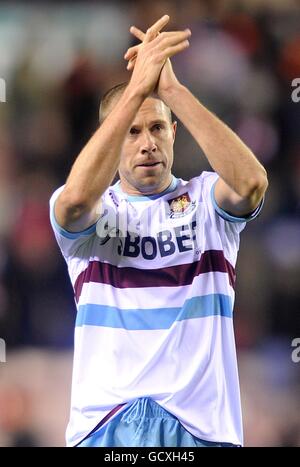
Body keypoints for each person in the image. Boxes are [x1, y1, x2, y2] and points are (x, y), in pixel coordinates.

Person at [49, 15, 268, 447]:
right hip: (105, 428)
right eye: (131, 131)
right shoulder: (89, 212)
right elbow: (75, 202)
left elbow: (252, 184)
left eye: (156, 128)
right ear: (112, 140)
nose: (147, 142)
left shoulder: (206, 200)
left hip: (200, 430)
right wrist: (135, 91)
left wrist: (171, 91)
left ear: (173, 132)